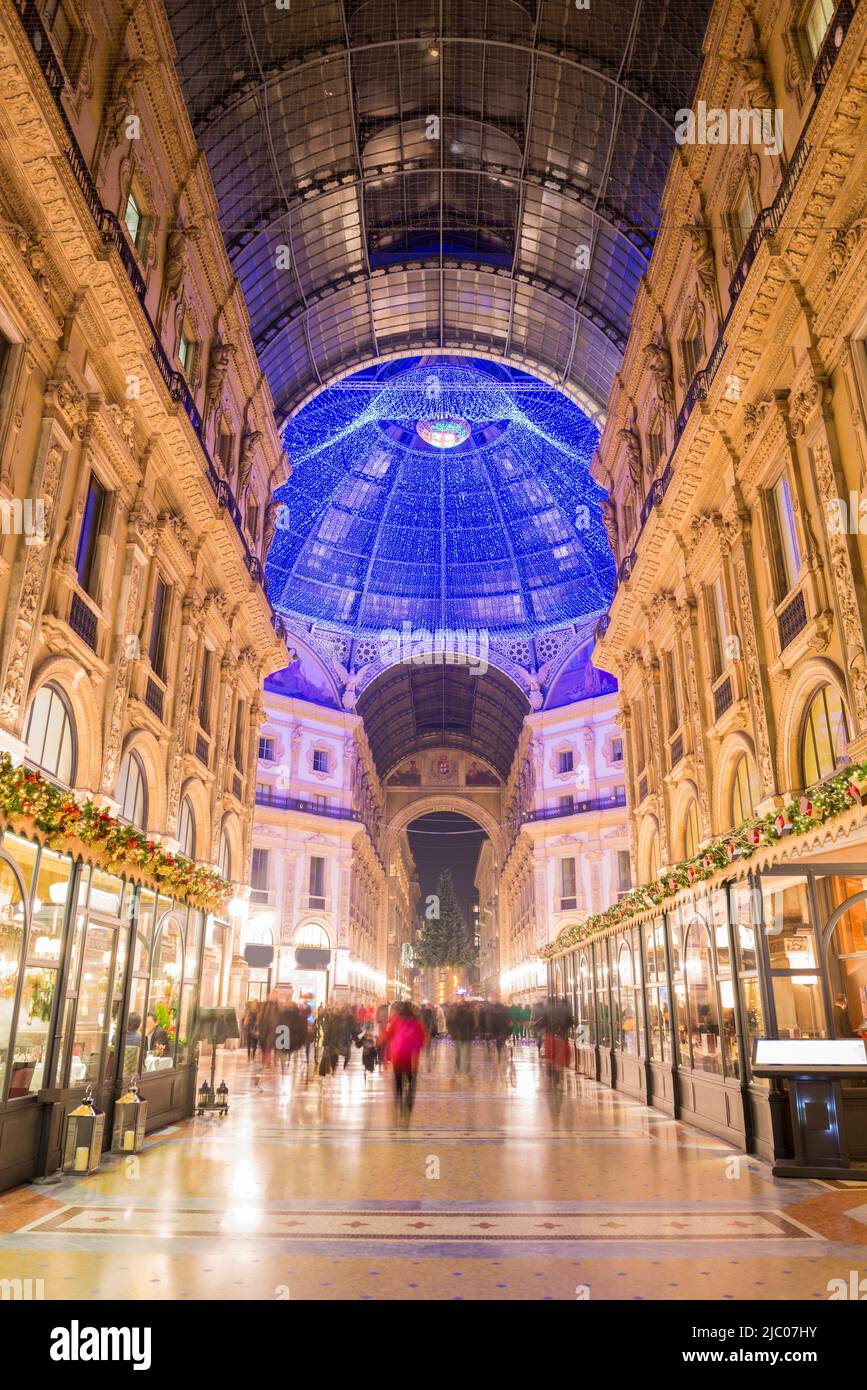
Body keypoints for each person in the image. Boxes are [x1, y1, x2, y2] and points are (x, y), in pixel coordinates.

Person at [385, 1002, 427, 1119]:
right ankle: (409, 1100)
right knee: (411, 1080)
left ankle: (398, 1099)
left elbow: (388, 1036)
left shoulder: (396, 1020)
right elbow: (423, 1039)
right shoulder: (417, 1023)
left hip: (398, 1055)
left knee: (398, 1079)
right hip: (412, 1058)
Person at [446, 998, 476, 1081]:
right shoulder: (468, 1012)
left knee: (461, 1055)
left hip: (461, 1036)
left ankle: (460, 1071)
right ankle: (463, 1072)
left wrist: (452, 1033)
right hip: (463, 1036)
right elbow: (449, 1023)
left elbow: (449, 1023)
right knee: (462, 1055)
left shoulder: (455, 1012)